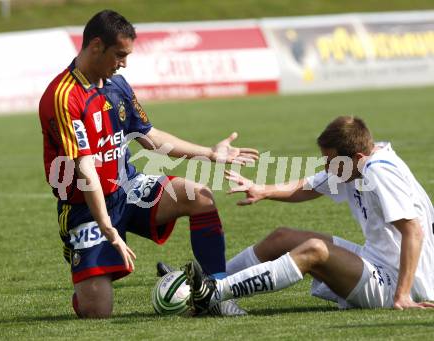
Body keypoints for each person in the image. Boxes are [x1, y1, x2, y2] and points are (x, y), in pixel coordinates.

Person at [39, 10, 258, 318]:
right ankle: (80, 256)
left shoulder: (118, 86)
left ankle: (216, 295)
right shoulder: (62, 97)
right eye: (120, 55)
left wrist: (209, 153)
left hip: (127, 187)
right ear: (97, 46)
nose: (124, 63)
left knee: (200, 196)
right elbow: (85, 170)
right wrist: (108, 229)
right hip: (86, 208)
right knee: (96, 312)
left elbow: (150, 138)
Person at [184, 116, 434, 314]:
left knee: (315, 250)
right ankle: (206, 283)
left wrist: (402, 295)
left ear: (357, 157)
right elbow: (310, 186)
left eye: (331, 161)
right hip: (378, 261)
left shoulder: (380, 172)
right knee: (282, 237)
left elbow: (413, 230)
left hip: (405, 283)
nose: (327, 168)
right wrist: (263, 190)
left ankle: (214, 293)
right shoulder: (356, 163)